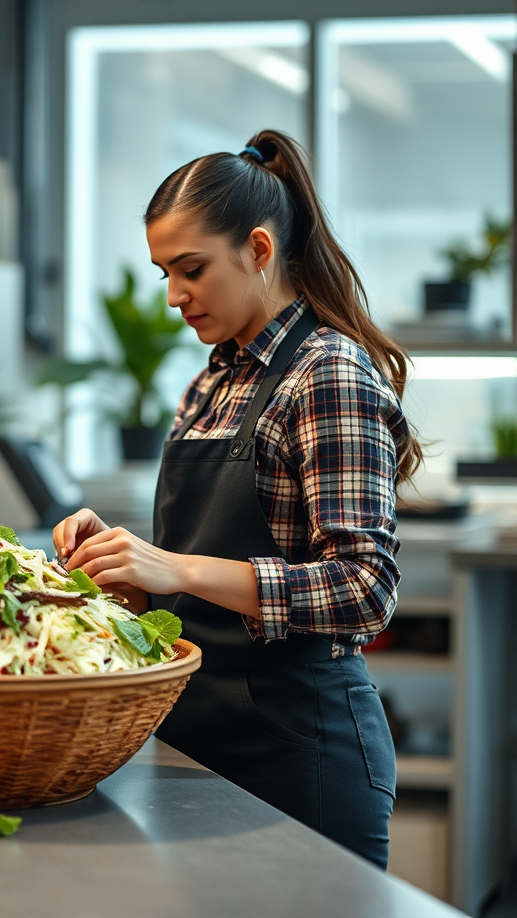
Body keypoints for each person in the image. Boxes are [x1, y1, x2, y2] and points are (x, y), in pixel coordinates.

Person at [54, 131, 419, 868]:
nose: (174, 296)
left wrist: (178, 569)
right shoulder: (212, 381)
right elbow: (191, 574)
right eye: (163, 272)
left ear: (258, 249)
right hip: (192, 737)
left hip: (300, 748)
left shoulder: (326, 375)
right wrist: (124, 568)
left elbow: (365, 589)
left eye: (191, 269)